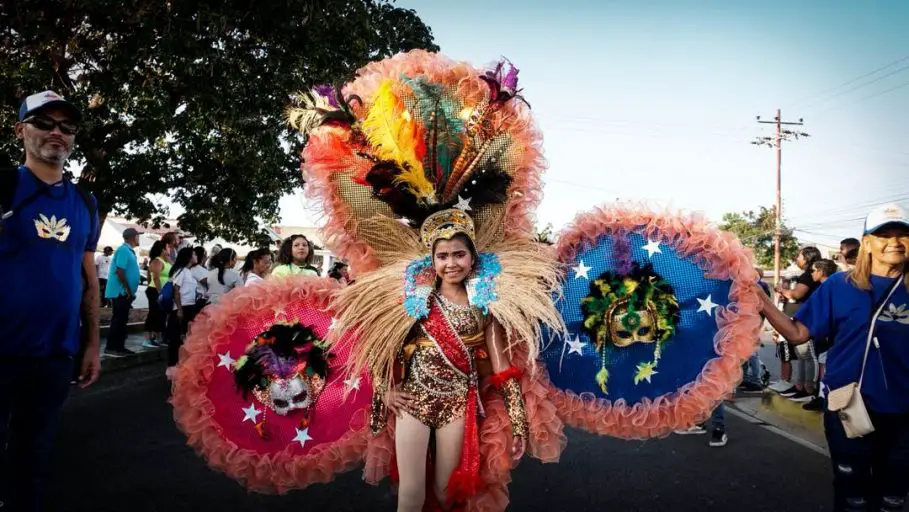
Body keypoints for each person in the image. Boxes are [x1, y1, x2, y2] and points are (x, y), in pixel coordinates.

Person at [759, 203, 909, 512]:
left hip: (904, 413)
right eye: (883, 235)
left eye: (902, 234)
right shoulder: (840, 286)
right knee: (853, 498)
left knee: (893, 500)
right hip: (848, 407)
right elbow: (798, 333)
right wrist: (762, 302)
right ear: (867, 242)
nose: (894, 242)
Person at [0, 90, 101, 511]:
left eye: (67, 126)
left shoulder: (86, 202)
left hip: (55, 356)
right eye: (44, 123)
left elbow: (89, 280)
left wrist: (92, 343)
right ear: (20, 130)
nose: (57, 132)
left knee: (32, 462)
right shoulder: (5, 186)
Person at [769, 246, 822, 401]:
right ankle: (800, 386)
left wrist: (782, 290)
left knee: (808, 356)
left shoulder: (808, 276)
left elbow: (797, 294)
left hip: (807, 320)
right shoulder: (806, 275)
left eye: (799, 256)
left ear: (807, 258)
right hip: (800, 319)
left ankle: (809, 389)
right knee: (801, 355)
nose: (797, 259)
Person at [803, 258, 840, 412]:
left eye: (813, 270)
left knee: (824, 362)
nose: (811, 273)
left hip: (830, 334)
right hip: (826, 333)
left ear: (821, 271)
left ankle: (823, 396)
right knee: (822, 361)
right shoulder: (827, 286)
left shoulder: (830, 287)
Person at [103, 228, 142, 357]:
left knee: (122, 320)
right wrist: (127, 289)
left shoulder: (129, 251)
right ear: (133, 237)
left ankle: (119, 346)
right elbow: (120, 271)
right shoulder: (123, 250)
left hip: (125, 292)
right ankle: (111, 347)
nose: (139, 239)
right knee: (118, 320)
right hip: (120, 292)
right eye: (138, 236)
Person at [165, 247, 201, 378]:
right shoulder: (181, 271)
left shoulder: (188, 271)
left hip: (190, 306)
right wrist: (179, 309)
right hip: (182, 307)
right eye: (194, 254)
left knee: (185, 338)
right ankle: (172, 367)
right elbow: (176, 291)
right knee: (176, 339)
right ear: (189, 257)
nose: (196, 256)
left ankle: (181, 367)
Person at [144, 240, 170, 348]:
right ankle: (147, 339)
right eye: (167, 247)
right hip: (155, 290)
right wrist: (160, 292)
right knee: (153, 313)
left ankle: (158, 338)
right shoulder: (157, 261)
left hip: (163, 291)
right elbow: (155, 277)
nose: (169, 249)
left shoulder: (166, 260)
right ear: (163, 249)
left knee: (161, 315)